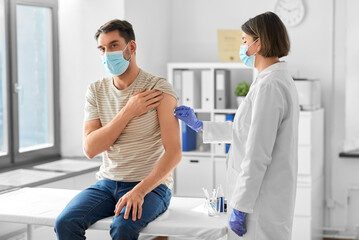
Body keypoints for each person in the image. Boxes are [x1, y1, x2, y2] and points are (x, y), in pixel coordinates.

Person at [174, 11, 299, 240]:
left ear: (258, 42)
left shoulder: (270, 85)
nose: (242, 47)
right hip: (263, 198)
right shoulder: (269, 80)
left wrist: (241, 206)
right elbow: (246, 132)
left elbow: (258, 153)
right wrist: (201, 125)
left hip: (260, 203)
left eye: (244, 40)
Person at [55, 19, 181, 240]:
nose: (107, 54)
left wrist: (140, 191)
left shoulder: (157, 88)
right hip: (107, 184)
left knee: (122, 228)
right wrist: (128, 111)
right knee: (65, 223)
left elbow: (174, 152)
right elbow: (91, 148)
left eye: (113, 45)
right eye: (102, 49)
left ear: (131, 47)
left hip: (151, 186)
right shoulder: (96, 90)